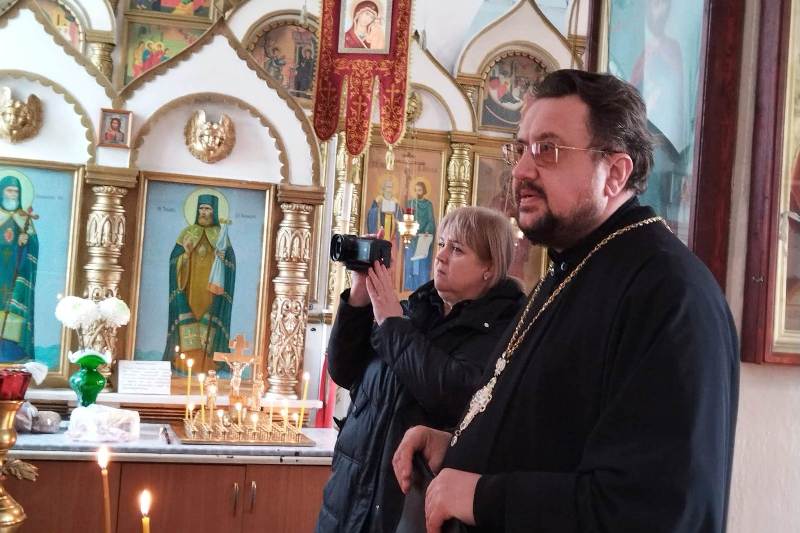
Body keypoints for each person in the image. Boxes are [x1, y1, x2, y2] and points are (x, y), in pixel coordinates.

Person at [392, 69, 739, 533]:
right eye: (521, 149)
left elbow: (654, 510)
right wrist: (455, 445)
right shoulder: (569, 268)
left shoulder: (669, 295)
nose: (520, 171)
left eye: (548, 150)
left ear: (615, 173)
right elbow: (554, 431)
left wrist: (482, 495)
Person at [316, 206, 526, 533]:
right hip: (349, 503)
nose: (440, 256)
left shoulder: (504, 331)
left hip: (408, 509)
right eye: (441, 244)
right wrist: (359, 297)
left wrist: (392, 324)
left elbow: (454, 393)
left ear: (489, 267)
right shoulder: (415, 311)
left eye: (457, 249)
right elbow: (344, 371)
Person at [163, 193, 235, 373]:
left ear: (214, 211)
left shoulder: (221, 235)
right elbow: (174, 262)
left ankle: (208, 363)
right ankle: (184, 362)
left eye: (207, 208)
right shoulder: (187, 233)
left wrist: (223, 259)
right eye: (201, 208)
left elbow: (230, 265)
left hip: (211, 292)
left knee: (208, 325)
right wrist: (186, 254)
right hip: (190, 290)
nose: (203, 212)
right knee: (189, 322)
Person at [0, 175, 37, 362]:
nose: (13, 195)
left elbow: (34, 247)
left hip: (15, 276)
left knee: (12, 313)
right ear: (1, 192)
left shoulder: (24, 219)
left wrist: (26, 242)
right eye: (9, 190)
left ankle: (10, 354)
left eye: (16, 191)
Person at [403, 180, 435, 292]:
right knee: (411, 262)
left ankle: (422, 286)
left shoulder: (428, 205)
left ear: (424, 191)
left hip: (423, 238)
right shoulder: (411, 203)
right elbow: (406, 218)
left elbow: (431, 221)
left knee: (422, 263)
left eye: (420, 190)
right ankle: (410, 286)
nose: (418, 192)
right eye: (416, 190)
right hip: (412, 237)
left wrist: (427, 231)